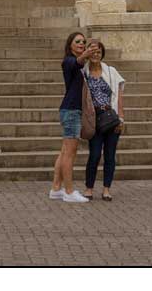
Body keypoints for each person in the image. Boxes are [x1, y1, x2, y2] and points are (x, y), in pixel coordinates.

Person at [49, 30, 90, 202]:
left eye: (83, 42)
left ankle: (56, 188)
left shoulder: (79, 64)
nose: (81, 44)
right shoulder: (69, 61)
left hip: (72, 110)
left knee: (64, 151)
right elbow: (77, 62)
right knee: (70, 153)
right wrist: (85, 55)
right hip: (71, 110)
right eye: (78, 42)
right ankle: (69, 191)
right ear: (70, 45)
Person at [83, 38, 124, 200]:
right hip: (94, 118)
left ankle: (106, 189)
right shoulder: (83, 73)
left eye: (98, 51)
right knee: (94, 154)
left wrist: (121, 118)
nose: (95, 54)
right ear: (87, 53)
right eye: (92, 51)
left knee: (110, 155)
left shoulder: (111, 72)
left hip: (110, 116)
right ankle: (89, 188)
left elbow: (119, 95)